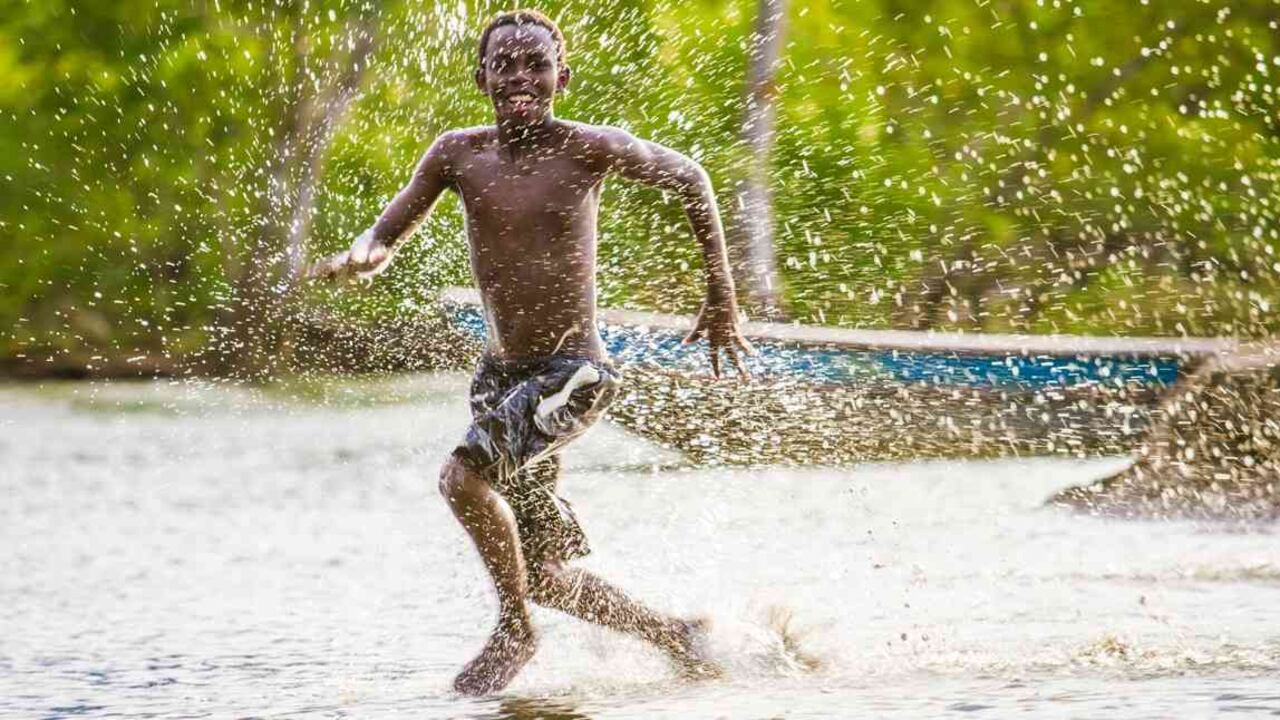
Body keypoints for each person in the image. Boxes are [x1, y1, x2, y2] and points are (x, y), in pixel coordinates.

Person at [310, 9, 755, 695]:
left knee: (462, 479)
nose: (521, 76)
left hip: (573, 372)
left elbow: (691, 176)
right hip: (501, 377)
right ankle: (677, 636)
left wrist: (720, 294)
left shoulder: (588, 148)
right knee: (542, 572)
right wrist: (360, 255)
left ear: (561, 77)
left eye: (536, 64)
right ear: (482, 76)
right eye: (506, 64)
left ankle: (514, 630)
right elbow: (386, 232)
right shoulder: (457, 153)